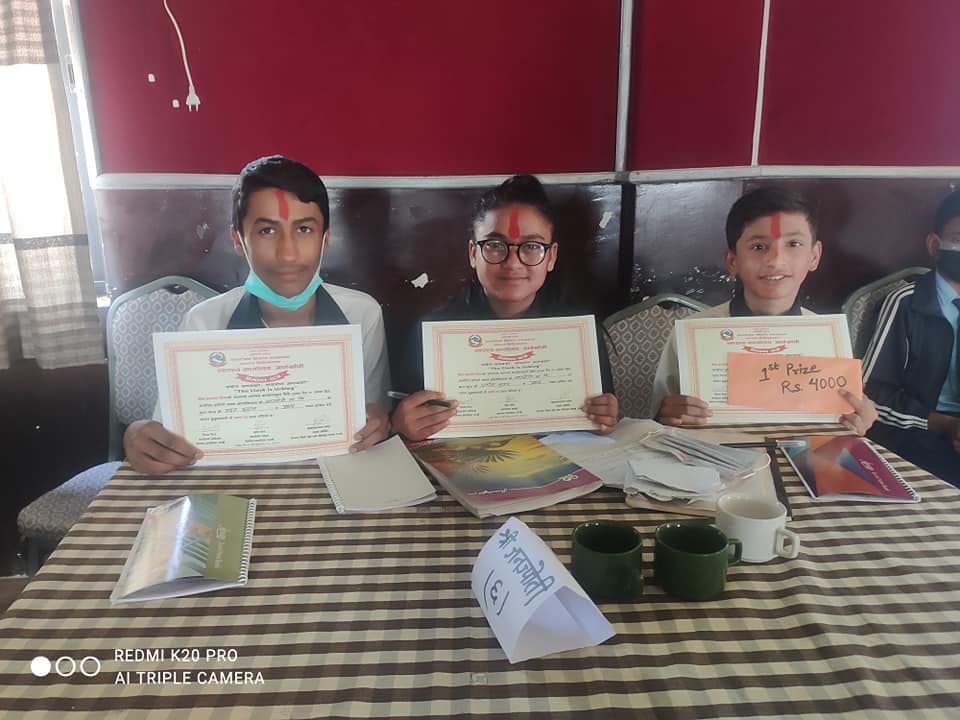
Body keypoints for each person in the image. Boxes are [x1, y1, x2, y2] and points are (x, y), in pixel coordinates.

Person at [124, 155, 391, 474]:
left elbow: (372, 419)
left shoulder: (362, 315)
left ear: (325, 239)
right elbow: (166, 434)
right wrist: (140, 436)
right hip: (237, 480)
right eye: (267, 231)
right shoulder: (203, 323)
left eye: (304, 229)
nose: (288, 254)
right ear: (239, 240)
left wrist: (380, 423)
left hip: (336, 477)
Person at [391, 174, 619, 441]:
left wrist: (604, 416)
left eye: (531, 246)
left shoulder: (580, 336)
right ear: (473, 253)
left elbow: (599, 418)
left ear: (551, 256)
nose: (512, 263)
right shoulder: (430, 334)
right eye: (495, 245)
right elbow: (402, 421)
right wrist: (399, 423)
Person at [651, 187, 877, 435]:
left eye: (793, 244)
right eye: (759, 247)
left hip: (805, 457)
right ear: (732, 261)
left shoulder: (828, 340)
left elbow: (841, 425)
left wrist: (860, 420)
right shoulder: (693, 336)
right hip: (713, 455)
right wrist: (665, 416)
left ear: (814, 256)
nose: (776, 260)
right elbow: (658, 420)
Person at [861, 190, 960, 486]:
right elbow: (870, 393)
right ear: (934, 245)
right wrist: (945, 424)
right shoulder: (905, 303)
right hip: (918, 432)